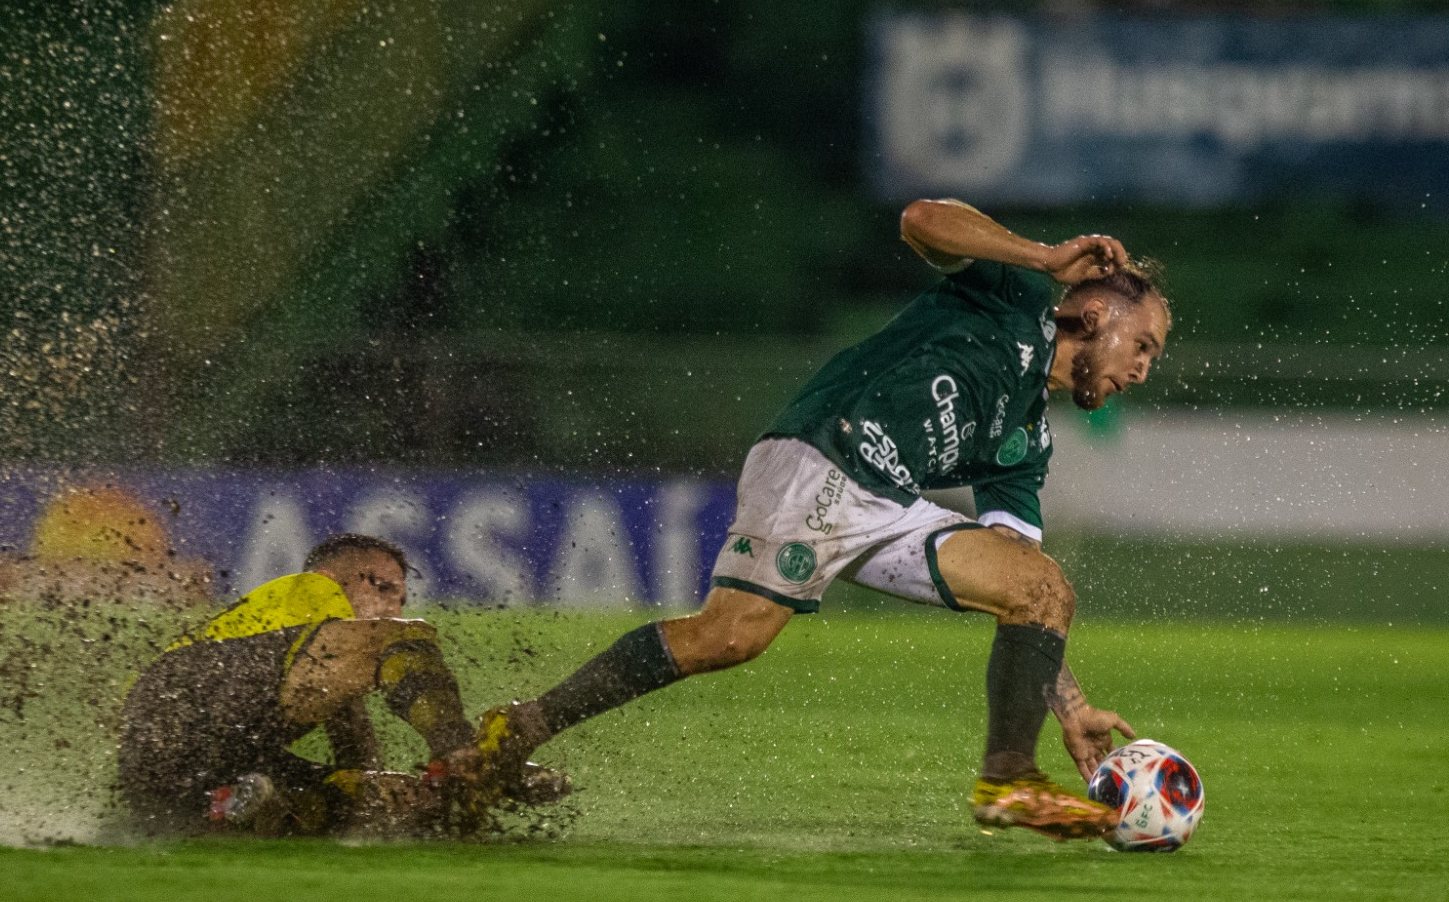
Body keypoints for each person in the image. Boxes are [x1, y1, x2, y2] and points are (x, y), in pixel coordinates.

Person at [458, 199, 1169, 841]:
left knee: (1044, 588)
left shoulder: (1026, 443)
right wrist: (1042, 258)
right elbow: (922, 220)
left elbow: (1023, 596)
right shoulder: (1014, 298)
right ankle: (518, 727)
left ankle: (1008, 779)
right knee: (728, 638)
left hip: (887, 502)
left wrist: (1068, 706)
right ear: (1098, 315)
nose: (1142, 371)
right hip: (828, 451)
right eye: (1144, 346)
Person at [118, 533, 562, 837]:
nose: (392, 607)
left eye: (400, 598)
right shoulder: (311, 590)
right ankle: (463, 750)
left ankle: (232, 809)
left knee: (388, 796)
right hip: (182, 699)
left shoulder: (306, 656)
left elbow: (354, 746)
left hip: (160, 778)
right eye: (384, 589)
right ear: (332, 580)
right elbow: (380, 649)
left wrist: (398, 797)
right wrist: (462, 760)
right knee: (410, 637)